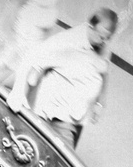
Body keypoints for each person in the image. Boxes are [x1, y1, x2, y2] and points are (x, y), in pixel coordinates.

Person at [7, 8, 119, 147]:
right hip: (57, 115)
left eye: (108, 38)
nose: (104, 42)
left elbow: (104, 72)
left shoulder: (103, 47)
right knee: (59, 158)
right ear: (90, 27)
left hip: (78, 115)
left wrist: (100, 103)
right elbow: (30, 58)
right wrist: (18, 90)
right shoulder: (67, 41)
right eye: (102, 37)